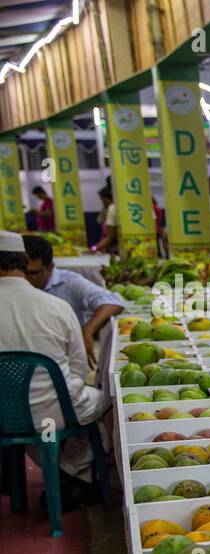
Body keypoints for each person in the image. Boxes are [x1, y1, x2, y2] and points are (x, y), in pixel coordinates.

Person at [0, 231, 108, 505]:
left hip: (4, 418)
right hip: (54, 414)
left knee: (26, 427)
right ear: (24, 262)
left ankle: (59, 474)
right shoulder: (56, 307)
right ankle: (71, 473)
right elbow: (79, 370)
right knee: (108, 401)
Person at [21, 233, 125, 367]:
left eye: (33, 273)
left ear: (50, 267)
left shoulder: (69, 282)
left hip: (62, 362)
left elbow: (113, 301)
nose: (25, 278)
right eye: (22, 272)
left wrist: (88, 330)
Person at [93, 184, 117, 255]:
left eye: (103, 201)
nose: (103, 203)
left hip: (114, 250)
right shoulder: (105, 210)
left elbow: (111, 237)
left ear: (110, 199)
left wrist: (94, 248)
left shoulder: (112, 208)